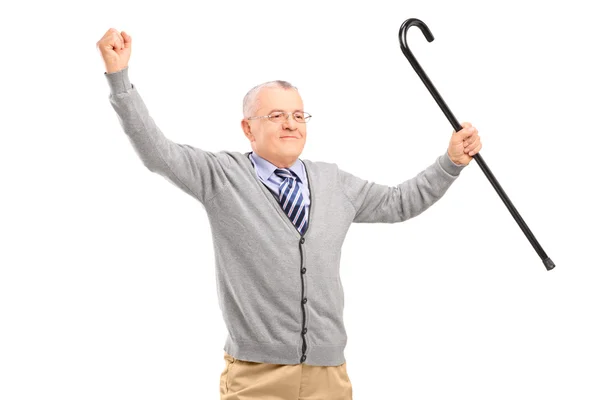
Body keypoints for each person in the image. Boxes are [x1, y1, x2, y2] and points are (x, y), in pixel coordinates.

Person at [96, 28, 482, 400]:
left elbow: (401, 202)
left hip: (329, 375)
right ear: (248, 128)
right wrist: (120, 79)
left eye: (299, 116)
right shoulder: (221, 176)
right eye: (276, 116)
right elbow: (157, 152)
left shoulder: (334, 182)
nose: (290, 124)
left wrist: (450, 162)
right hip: (255, 375)